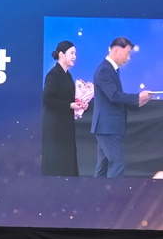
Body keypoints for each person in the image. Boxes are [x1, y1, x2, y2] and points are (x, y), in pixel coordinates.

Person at [90, 37, 152, 177]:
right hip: (108, 127)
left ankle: (98, 191)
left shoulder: (111, 69)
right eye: (127, 53)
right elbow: (114, 96)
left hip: (107, 126)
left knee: (103, 167)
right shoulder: (104, 70)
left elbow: (114, 98)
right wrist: (137, 97)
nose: (128, 58)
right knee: (117, 164)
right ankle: (114, 191)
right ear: (116, 50)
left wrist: (139, 101)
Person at [42, 40, 88, 176]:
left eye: (75, 54)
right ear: (61, 54)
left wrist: (81, 103)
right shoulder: (54, 74)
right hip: (55, 126)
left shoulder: (67, 75)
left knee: (67, 159)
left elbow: (69, 97)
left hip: (66, 124)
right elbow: (47, 99)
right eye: (72, 53)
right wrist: (69, 105)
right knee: (58, 160)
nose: (74, 57)